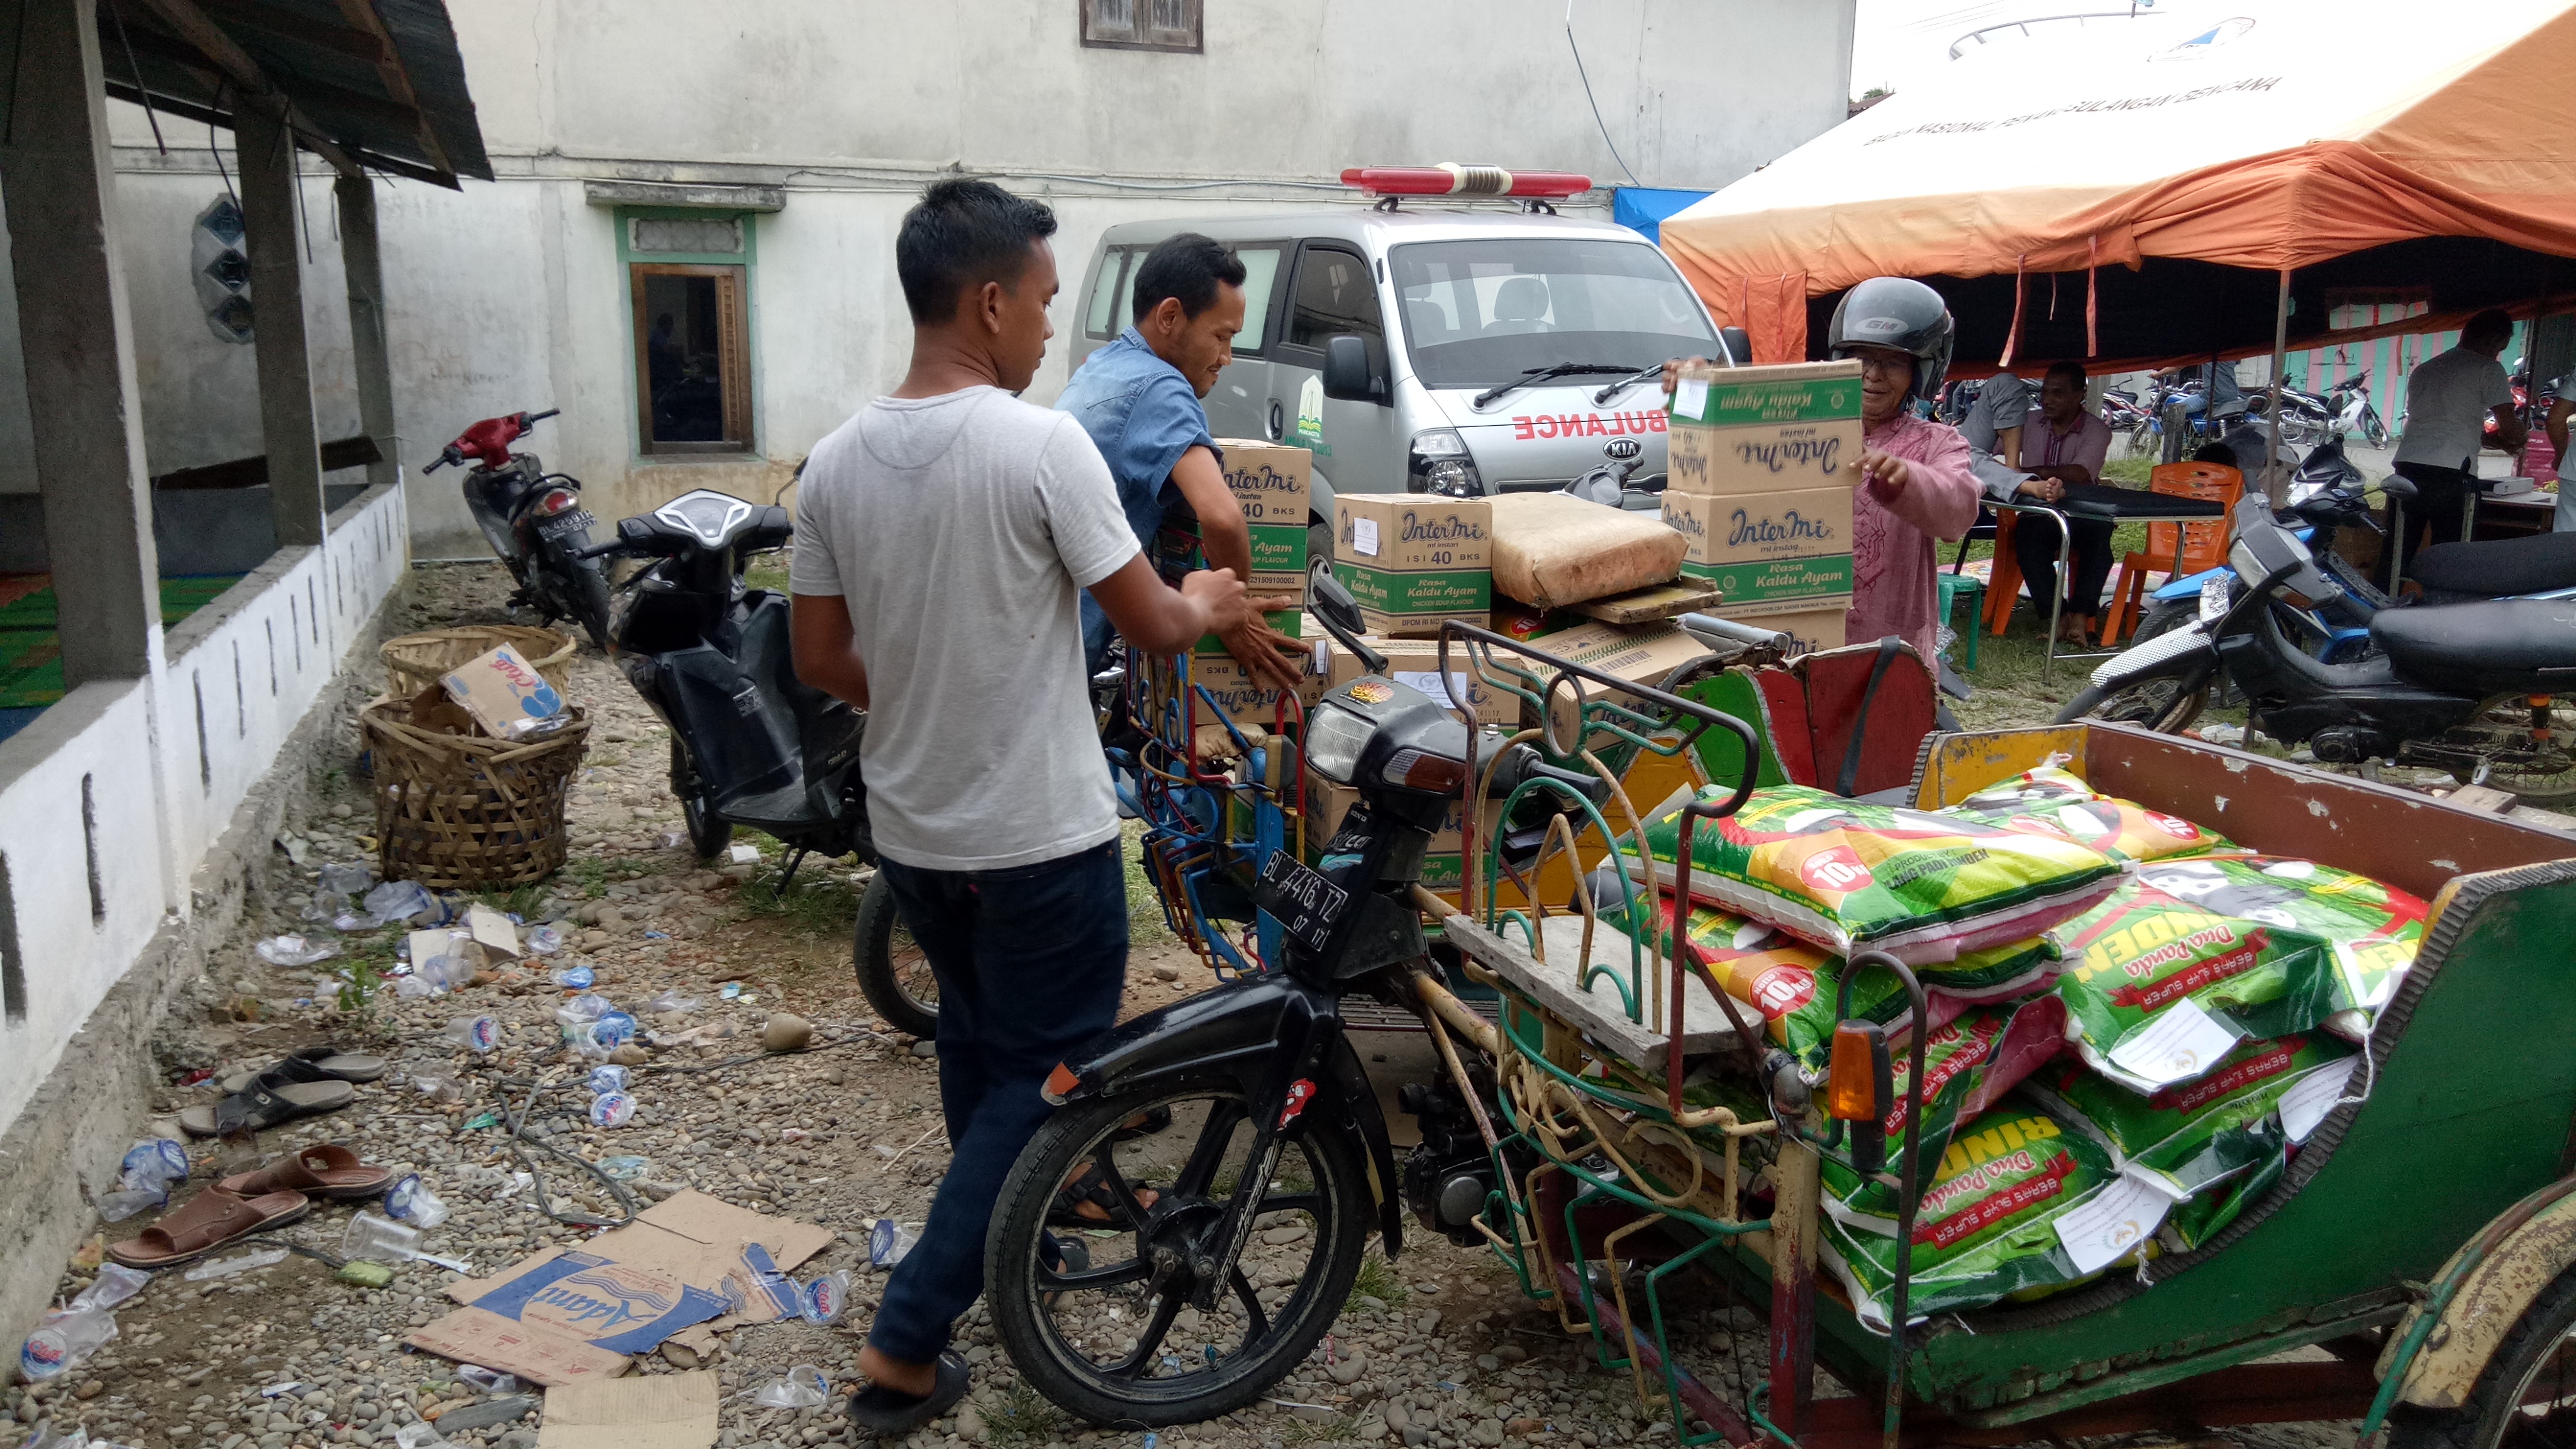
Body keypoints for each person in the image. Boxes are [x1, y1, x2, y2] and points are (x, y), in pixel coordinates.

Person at [787, 179, 1253, 1438]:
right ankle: (903, 1345)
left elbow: (822, 661)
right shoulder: (1039, 446)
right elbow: (1153, 621)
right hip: (1039, 838)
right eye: (1044, 301)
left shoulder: (831, 464)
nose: (1052, 328)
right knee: (1044, 1077)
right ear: (988, 300)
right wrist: (1209, 600)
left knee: (975, 1046)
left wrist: (933, 686)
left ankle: (1014, 1242)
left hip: (916, 831)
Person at [1666, 278, 1979, 660]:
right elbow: (1728, 447)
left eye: (1893, 362)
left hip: (1888, 649)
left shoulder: (1937, 443)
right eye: (1862, 359)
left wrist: (1907, 478)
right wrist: (1699, 389)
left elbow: (1958, 512)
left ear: (1922, 371)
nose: (1874, 374)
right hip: (1790, 640)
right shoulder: (1797, 425)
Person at [1056, 232, 1303, 691]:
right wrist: (1232, 613)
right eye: (1221, 336)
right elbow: (1223, 517)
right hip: (1057, 662)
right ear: (1169, 316)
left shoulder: (1100, 367)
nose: (1227, 358)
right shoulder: (1160, 387)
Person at [2387, 308, 2527, 584]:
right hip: (2452, 476)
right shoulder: (2489, 369)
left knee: (2396, 553)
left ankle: (2382, 605)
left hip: (2406, 468)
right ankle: (2442, 613)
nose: (2499, 354)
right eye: (2501, 347)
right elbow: (2510, 427)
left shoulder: (2426, 368)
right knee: (2452, 555)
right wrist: (2520, 437)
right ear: (2491, 340)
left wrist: (2495, 441)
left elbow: (2452, 424)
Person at [1999, 360, 2116, 643]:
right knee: (2028, 541)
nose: (2048, 400)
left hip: (2084, 512)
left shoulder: (2097, 430)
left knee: (2099, 541)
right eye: (2045, 392)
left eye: (2058, 393)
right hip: (2038, 514)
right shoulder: (2027, 422)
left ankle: (2080, 616)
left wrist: (2029, 473)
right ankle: (2059, 616)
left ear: (2080, 395)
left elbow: (2079, 473)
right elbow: (1993, 441)